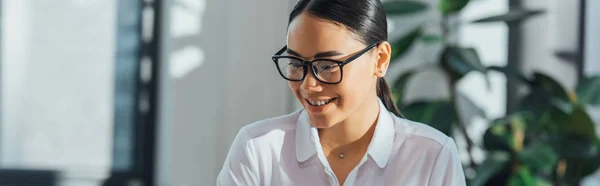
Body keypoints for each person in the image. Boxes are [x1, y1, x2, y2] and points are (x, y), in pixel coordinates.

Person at [216, 0, 466, 185]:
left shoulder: (432, 156)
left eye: (327, 66)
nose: (308, 85)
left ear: (380, 60)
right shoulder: (258, 149)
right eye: (295, 63)